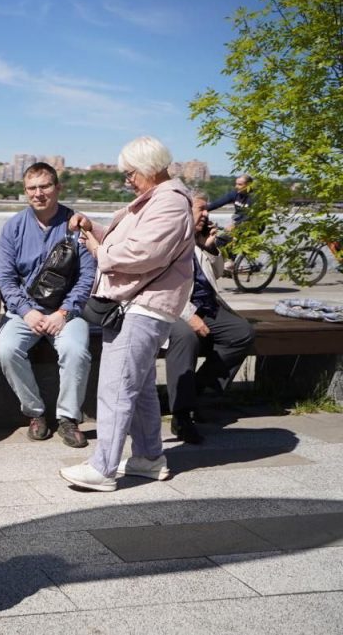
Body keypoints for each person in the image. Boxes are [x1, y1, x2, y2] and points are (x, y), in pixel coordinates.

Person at [60, 136, 193, 492]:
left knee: (116, 385)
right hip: (141, 305)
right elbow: (130, 243)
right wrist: (95, 229)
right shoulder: (160, 200)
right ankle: (148, 458)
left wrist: (97, 248)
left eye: (130, 173)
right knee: (140, 386)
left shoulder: (169, 204)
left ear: (150, 169)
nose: (127, 180)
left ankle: (103, 467)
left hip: (144, 306)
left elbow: (141, 254)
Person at [0, 162, 96, 448]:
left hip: (67, 310)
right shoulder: (13, 227)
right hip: (24, 311)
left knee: (76, 350)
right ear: (25, 191)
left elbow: (87, 276)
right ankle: (35, 412)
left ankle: (68, 418)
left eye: (45, 186)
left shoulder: (75, 226)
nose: (38, 193)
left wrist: (64, 312)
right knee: (6, 350)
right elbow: (5, 277)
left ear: (57, 188)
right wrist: (27, 312)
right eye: (32, 188)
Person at [165, 190, 255, 444]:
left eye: (207, 209)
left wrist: (210, 248)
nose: (206, 214)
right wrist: (189, 316)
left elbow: (216, 273)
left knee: (242, 333)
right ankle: (181, 415)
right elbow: (163, 288)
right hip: (172, 308)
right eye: (200, 209)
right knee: (187, 338)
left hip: (207, 305)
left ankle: (198, 392)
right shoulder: (168, 238)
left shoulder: (198, 238)